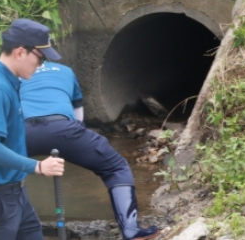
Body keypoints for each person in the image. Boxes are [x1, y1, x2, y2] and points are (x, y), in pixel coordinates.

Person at [20, 62, 159, 240]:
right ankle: (131, 230)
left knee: (3, 169)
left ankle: (5, 228)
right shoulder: (66, 71)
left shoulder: (15, 71)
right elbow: (78, 114)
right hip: (63, 129)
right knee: (116, 167)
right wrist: (76, 138)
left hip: (22, 131)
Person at [0, 19, 65, 240]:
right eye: (40, 59)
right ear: (20, 52)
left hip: (15, 195)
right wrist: (37, 166)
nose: (40, 66)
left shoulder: (9, 82)